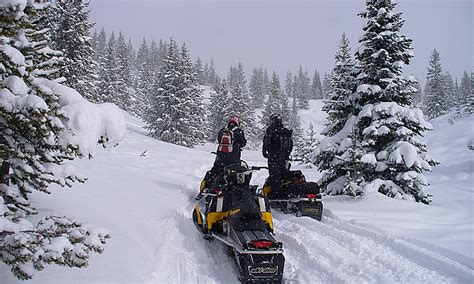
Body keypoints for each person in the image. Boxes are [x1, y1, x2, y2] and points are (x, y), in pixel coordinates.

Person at [262, 113, 293, 197]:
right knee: (284, 175)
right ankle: (284, 192)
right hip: (284, 158)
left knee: (274, 176)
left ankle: (275, 194)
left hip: (273, 157)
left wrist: (265, 152)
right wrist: (286, 154)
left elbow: (266, 142)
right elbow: (291, 145)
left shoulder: (271, 130)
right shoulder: (285, 131)